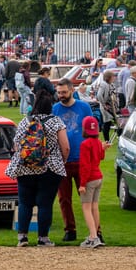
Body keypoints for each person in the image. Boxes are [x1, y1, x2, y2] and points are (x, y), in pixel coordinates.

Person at [5, 91, 69, 247]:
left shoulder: (25, 121)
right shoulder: (56, 122)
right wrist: (63, 160)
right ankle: (43, 238)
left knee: (25, 203)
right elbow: (65, 147)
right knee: (45, 204)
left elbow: (16, 145)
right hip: (50, 167)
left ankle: (22, 237)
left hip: (25, 167)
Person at [53, 78, 93, 242]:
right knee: (64, 198)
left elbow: (91, 131)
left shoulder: (84, 107)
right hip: (63, 160)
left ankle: (95, 230)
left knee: (88, 198)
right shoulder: (55, 109)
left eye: (64, 92)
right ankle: (70, 229)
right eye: (59, 93)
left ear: (72, 90)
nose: (61, 95)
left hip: (82, 159)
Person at [78, 116, 106, 248]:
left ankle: (93, 237)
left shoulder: (85, 144)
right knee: (95, 206)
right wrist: (103, 148)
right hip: (98, 176)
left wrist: (82, 184)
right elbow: (101, 156)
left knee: (86, 208)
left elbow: (85, 166)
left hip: (89, 179)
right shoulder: (98, 142)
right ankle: (95, 235)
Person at [95, 70, 118, 142]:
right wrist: (104, 104)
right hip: (106, 107)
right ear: (109, 77)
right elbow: (99, 95)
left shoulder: (111, 84)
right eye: (113, 76)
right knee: (107, 123)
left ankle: (116, 137)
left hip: (112, 107)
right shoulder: (103, 84)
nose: (114, 78)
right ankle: (107, 140)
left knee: (116, 122)